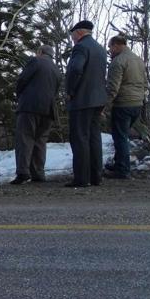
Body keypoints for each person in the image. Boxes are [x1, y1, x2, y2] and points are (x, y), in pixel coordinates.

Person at [10, 45, 62, 185]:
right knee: (40, 141)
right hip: (48, 109)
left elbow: (22, 80)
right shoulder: (56, 69)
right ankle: (38, 172)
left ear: (40, 52)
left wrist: (20, 96)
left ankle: (23, 172)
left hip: (30, 106)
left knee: (25, 138)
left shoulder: (36, 62)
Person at [65, 20, 107, 187]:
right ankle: (95, 176)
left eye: (73, 35)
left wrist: (70, 91)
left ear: (79, 33)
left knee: (80, 138)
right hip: (98, 100)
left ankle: (81, 178)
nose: (72, 38)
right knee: (94, 138)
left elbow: (75, 69)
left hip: (82, 99)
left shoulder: (81, 47)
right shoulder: (100, 48)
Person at [104, 35, 147, 179]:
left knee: (120, 137)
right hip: (137, 103)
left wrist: (105, 106)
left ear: (116, 45)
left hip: (123, 103)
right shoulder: (138, 60)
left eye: (110, 47)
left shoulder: (118, 62)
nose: (110, 51)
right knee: (123, 135)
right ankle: (119, 163)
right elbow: (144, 83)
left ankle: (122, 169)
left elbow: (113, 87)